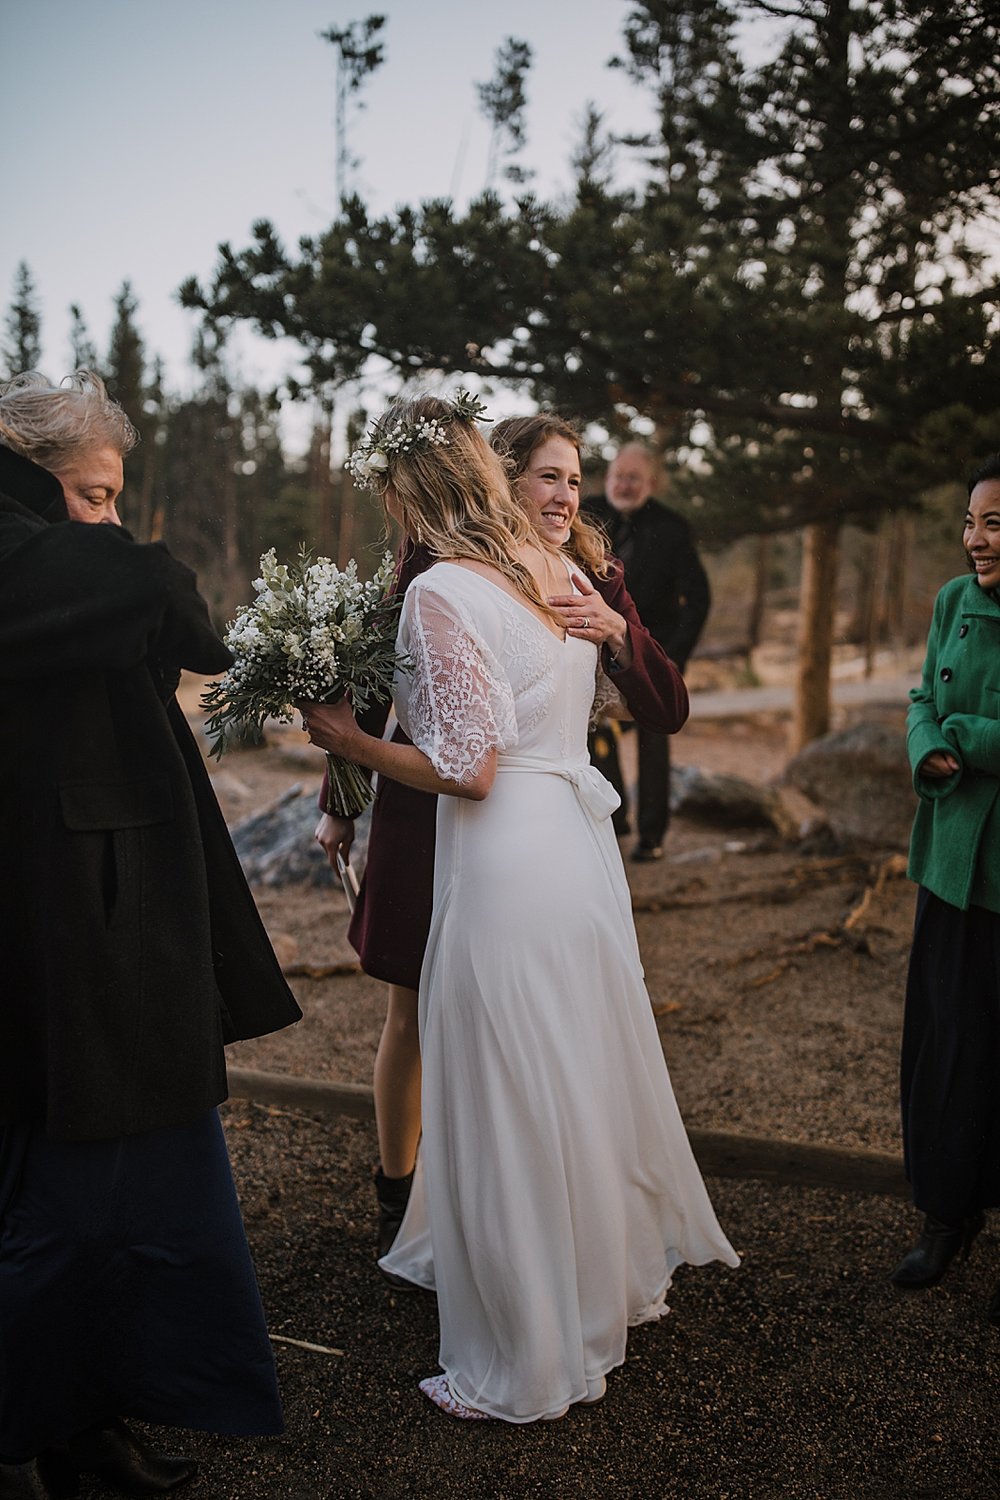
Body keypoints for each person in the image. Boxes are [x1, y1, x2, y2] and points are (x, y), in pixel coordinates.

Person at [302, 393, 738, 1423]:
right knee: (516, 1053)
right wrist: (347, 797)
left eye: (576, 480)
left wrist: (346, 747)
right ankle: (514, 1250)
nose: (565, 494)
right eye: (549, 475)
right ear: (497, 476)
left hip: (502, 840)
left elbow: (474, 760)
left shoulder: (523, 581)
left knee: (506, 1073)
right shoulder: (521, 571)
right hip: (534, 842)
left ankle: (529, 1320)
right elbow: (404, 689)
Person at [0, 373, 302, 1500]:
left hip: (105, 914)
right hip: (77, 924)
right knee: (80, 1195)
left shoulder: (49, 559)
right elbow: (170, 600)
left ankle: (87, 1423)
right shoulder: (23, 553)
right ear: (28, 473)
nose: (111, 520)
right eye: (91, 493)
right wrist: (148, 564)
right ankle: (58, 1425)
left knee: (114, 1192)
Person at [890, 453, 1000, 1324]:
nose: (975, 540)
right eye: (970, 522)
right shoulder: (951, 603)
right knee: (946, 1042)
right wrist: (928, 738)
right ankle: (946, 1213)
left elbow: (958, 715)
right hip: (950, 858)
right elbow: (923, 691)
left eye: (993, 523)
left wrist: (962, 731)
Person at [584, 442, 711, 861]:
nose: (623, 484)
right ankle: (614, 819)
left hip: (653, 649)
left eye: (634, 478)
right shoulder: (586, 512)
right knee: (595, 732)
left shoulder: (673, 527)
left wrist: (673, 657)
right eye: (619, 475)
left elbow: (699, 598)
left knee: (655, 737)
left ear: (652, 484)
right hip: (594, 647)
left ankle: (652, 837)